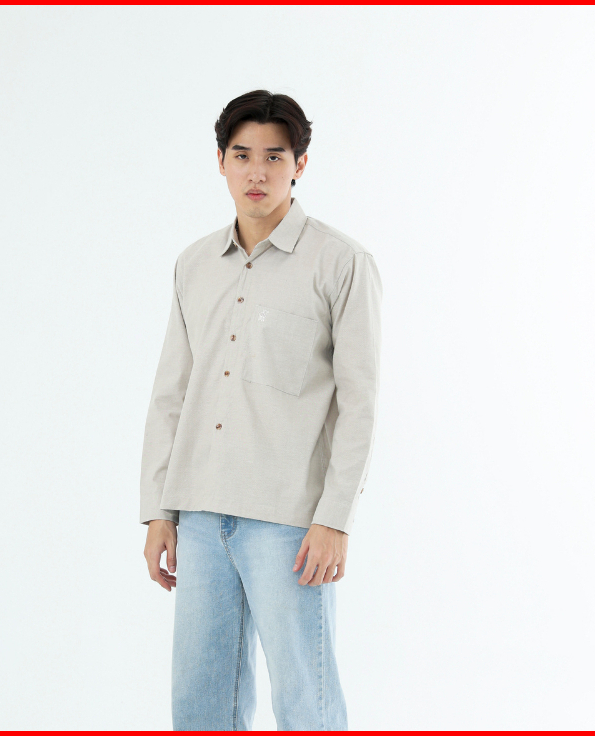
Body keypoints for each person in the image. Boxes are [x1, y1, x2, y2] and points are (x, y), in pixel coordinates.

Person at [139, 89, 383, 731]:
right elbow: (171, 392)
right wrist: (160, 509)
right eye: (242, 154)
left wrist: (335, 519)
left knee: (306, 702)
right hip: (199, 513)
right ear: (220, 161)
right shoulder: (194, 264)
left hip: (289, 523)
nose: (257, 171)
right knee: (199, 703)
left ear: (300, 164)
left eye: (275, 156)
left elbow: (359, 404)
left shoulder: (342, 263)